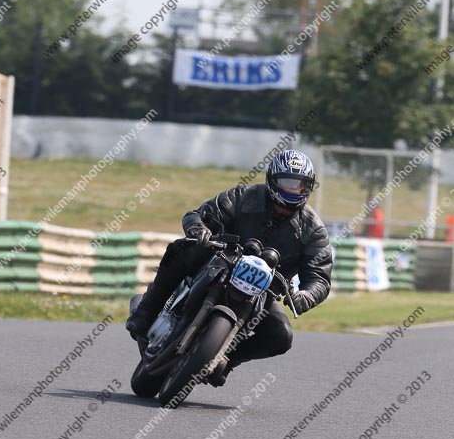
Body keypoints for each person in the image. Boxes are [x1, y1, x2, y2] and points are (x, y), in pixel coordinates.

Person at [126, 149, 332, 383]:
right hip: (220, 262)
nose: (293, 190)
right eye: (288, 183)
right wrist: (199, 228)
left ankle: (225, 360)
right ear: (273, 180)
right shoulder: (244, 196)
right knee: (185, 248)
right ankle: (145, 312)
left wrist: (306, 296)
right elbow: (199, 215)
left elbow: (320, 277)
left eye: (300, 185)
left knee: (282, 335)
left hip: (263, 291)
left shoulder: (313, 229)